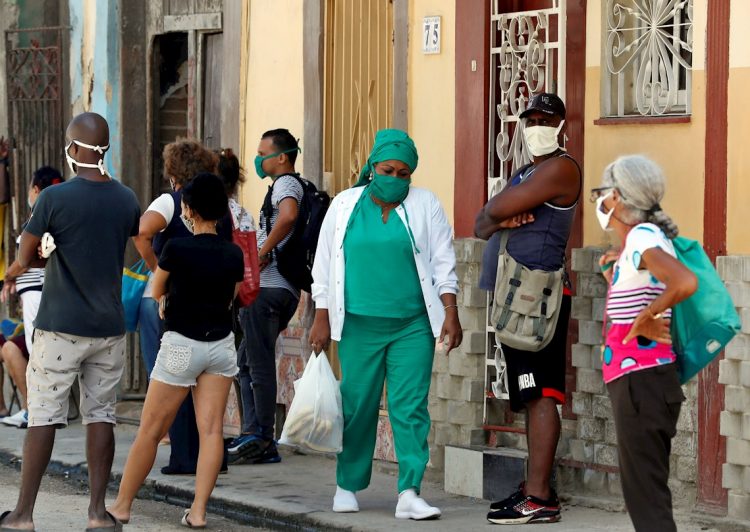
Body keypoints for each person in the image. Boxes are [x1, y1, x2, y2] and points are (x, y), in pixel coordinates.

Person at [308, 128, 462, 520]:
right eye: (388, 170)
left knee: (410, 408)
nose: (395, 178)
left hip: (412, 325)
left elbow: (444, 259)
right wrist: (321, 316)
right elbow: (323, 264)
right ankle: (348, 483)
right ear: (372, 167)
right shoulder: (345, 205)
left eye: (404, 173)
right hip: (358, 324)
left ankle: (409, 491)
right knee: (357, 405)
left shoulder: (426, 204)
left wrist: (450, 310)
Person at [0, 112, 140, 532]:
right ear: (105, 148)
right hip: (109, 328)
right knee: (101, 415)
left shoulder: (53, 199)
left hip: (61, 324)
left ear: (75, 149)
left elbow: (24, 259)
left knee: (42, 415)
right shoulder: (127, 199)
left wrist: (45, 250)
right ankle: (98, 514)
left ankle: (22, 515)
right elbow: (121, 244)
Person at [108, 173, 244, 528]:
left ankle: (122, 506)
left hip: (182, 345)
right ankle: (198, 512)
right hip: (221, 347)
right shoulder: (233, 253)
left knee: (151, 429)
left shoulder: (176, 249)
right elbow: (231, 297)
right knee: (212, 430)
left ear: (189, 209)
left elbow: (157, 291)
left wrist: (169, 300)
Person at [474, 93, 581, 525]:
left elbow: (493, 209)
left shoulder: (561, 168)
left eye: (545, 118)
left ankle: (538, 498)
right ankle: (534, 489)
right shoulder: (527, 170)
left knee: (541, 396)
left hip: (538, 297)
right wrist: (498, 218)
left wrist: (498, 214)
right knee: (530, 392)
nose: (536, 124)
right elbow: (482, 222)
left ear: (561, 126)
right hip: (516, 296)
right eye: (530, 117)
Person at [592, 155, 696, 532]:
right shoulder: (647, 239)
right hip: (647, 383)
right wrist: (615, 275)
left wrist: (648, 316)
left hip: (640, 384)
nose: (600, 202)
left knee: (646, 501)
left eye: (603, 193)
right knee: (648, 493)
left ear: (617, 197)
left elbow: (684, 283)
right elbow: (642, 295)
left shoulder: (642, 237)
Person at [132, 139, 226, 474]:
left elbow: (141, 231)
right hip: (210, 307)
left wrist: (158, 270)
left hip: (164, 302)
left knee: (170, 381)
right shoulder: (217, 205)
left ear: (174, 170)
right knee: (206, 390)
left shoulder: (171, 201)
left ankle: (184, 455)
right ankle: (208, 459)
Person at [228, 129, 303, 465]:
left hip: (271, 289)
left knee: (257, 365)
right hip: (273, 290)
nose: (259, 160)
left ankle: (263, 437)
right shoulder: (279, 186)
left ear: (283, 157)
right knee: (245, 360)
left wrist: (263, 251)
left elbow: (288, 216)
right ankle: (251, 432)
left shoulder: (287, 184)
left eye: (264, 153)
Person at [0, 166, 64, 429]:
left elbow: (24, 259)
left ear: (36, 190)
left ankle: (36, 412)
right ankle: (36, 410)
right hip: (39, 296)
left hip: (37, 297)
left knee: (38, 354)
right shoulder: (57, 216)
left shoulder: (39, 218)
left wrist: (8, 276)